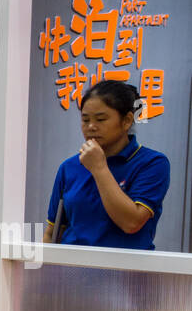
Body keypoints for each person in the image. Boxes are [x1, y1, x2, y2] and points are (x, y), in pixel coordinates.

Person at [46, 81, 169, 249]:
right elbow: (52, 232)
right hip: (71, 271)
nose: (91, 127)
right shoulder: (69, 167)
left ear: (126, 121)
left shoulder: (152, 163)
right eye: (85, 119)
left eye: (101, 119)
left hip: (126, 272)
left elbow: (131, 222)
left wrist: (99, 168)